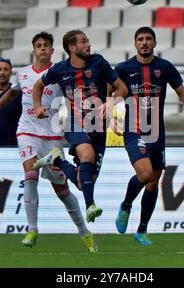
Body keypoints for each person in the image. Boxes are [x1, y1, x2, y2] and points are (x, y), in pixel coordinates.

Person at [0, 32, 98, 252]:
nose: (43, 49)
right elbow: (11, 94)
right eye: (39, 45)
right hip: (27, 131)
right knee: (30, 176)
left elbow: (73, 99)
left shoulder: (60, 72)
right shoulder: (23, 74)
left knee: (62, 190)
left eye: (46, 45)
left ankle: (84, 232)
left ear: (53, 50)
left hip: (53, 134)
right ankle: (32, 229)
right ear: (34, 49)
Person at [32, 29, 128, 223]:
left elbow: (122, 88)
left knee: (84, 183)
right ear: (72, 47)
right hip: (72, 120)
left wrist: (111, 101)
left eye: (88, 41)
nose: (88, 45)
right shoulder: (59, 69)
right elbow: (37, 86)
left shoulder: (98, 62)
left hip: (98, 125)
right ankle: (90, 205)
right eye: (83, 42)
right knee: (87, 155)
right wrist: (37, 107)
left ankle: (57, 160)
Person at [113, 27, 184, 245]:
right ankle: (125, 205)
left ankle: (141, 231)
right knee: (145, 174)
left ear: (154, 43)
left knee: (153, 182)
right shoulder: (123, 68)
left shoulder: (165, 67)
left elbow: (181, 92)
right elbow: (107, 92)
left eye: (148, 39)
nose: (144, 43)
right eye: (140, 39)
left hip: (157, 133)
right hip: (133, 130)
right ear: (135, 44)